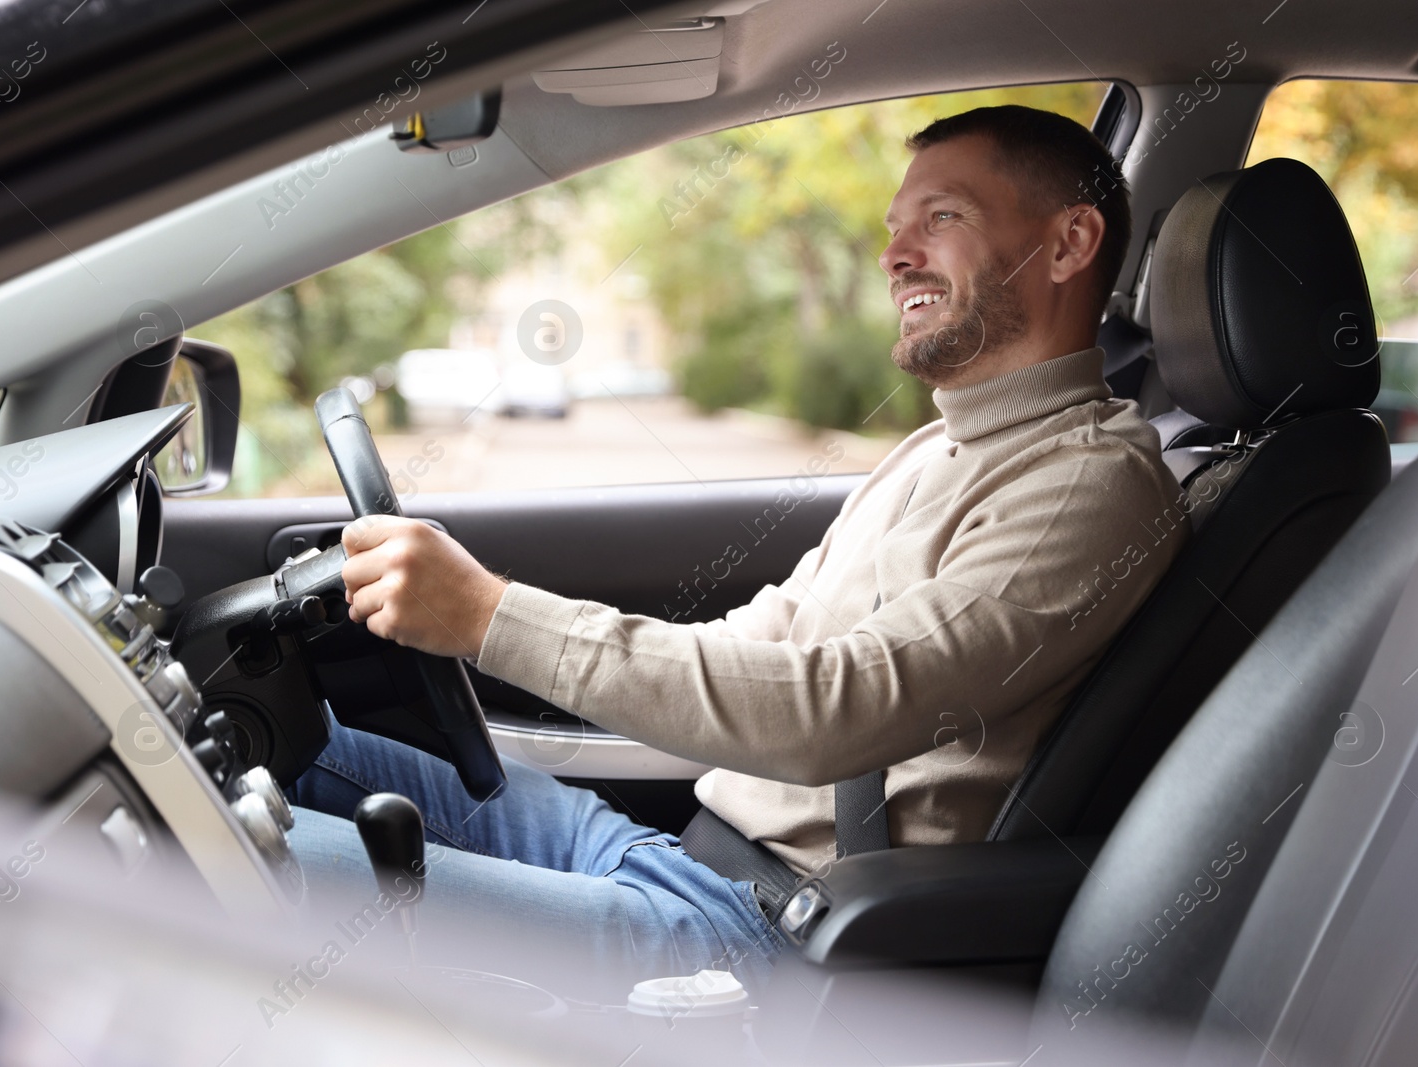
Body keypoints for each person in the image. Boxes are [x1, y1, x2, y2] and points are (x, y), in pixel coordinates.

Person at [284, 105, 1188, 991]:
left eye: (942, 218)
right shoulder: (937, 448)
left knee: (230, 861)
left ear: (1070, 244)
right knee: (277, 745)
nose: (894, 255)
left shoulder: (1087, 483)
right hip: (686, 859)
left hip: (758, 940)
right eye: (894, 228)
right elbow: (766, 638)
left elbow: (840, 708)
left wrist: (488, 615)